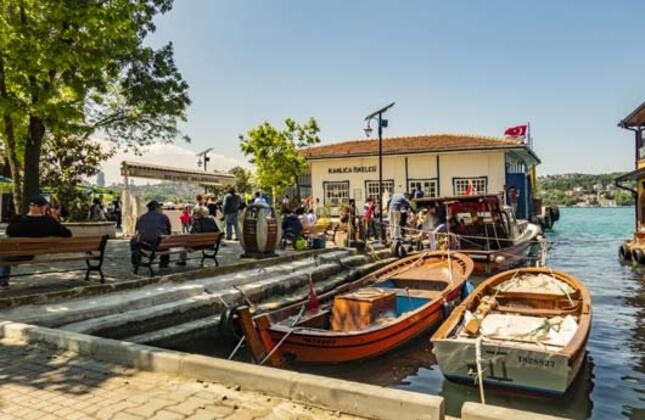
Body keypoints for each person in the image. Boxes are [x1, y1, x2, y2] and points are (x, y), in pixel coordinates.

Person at [0, 194, 72, 288]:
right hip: (31, 254)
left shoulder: (18, 220)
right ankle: (3, 280)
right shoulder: (50, 222)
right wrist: (55, 219)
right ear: (43, 207)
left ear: (30, 206)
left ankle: (3, 280)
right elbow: (67, 233)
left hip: (18, 253)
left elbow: (9, 231)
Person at [131, 200, 172, 268]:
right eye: (160, 207)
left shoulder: (140, 218)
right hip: (161, 246)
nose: (161, 209)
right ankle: (164, 263)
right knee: (165, 240)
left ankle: (136, 262)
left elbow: (136, 232)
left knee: (133, 241)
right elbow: (169, 231)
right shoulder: (164, 217)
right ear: (156, 208)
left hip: (145, 245)